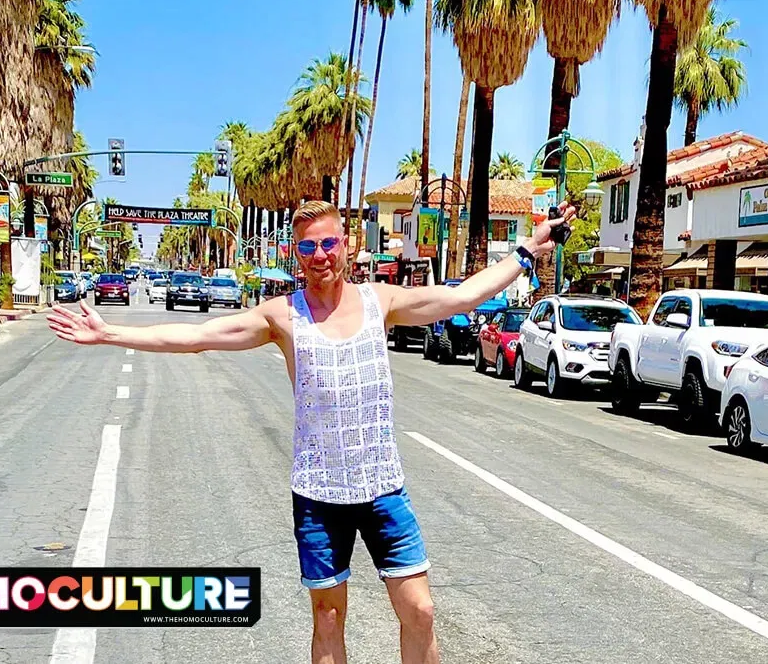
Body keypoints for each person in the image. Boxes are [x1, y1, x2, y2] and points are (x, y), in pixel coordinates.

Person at [47, 199, 574, 664]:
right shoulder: (283, 316)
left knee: (420, 610)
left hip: (383, 489)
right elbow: (198, 336)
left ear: (345, 244)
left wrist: (526, 250)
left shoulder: (380, 302)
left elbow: (461, 298)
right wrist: (110, 332)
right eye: (307, 247)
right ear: (295, 255)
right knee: (327, 618)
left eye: (328, 242)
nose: (320, 255)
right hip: (319, 495)